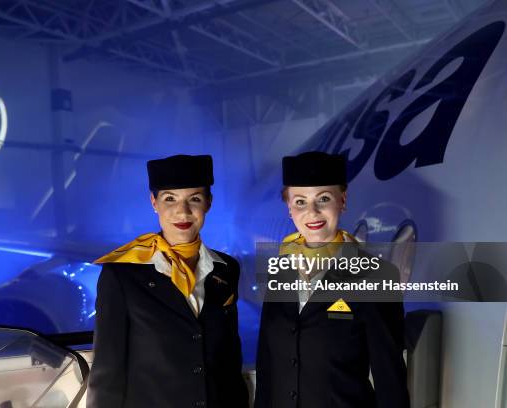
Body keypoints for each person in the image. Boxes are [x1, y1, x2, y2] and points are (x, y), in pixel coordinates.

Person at [87, 154, 249, 408]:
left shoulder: (227, 268)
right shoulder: (121, 274)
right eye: (169, 198)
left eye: (194, 199)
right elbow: (107, 369)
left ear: (208, 203)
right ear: (154, 203)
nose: (182, 211)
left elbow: (230, 355)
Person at [254, 151, 410, 408]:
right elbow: (267, 363)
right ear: (289, 208)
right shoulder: (280, 269)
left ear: (342, 200)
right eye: (300, 202)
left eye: (323, 198)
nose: (312, 212)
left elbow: (389, 378)